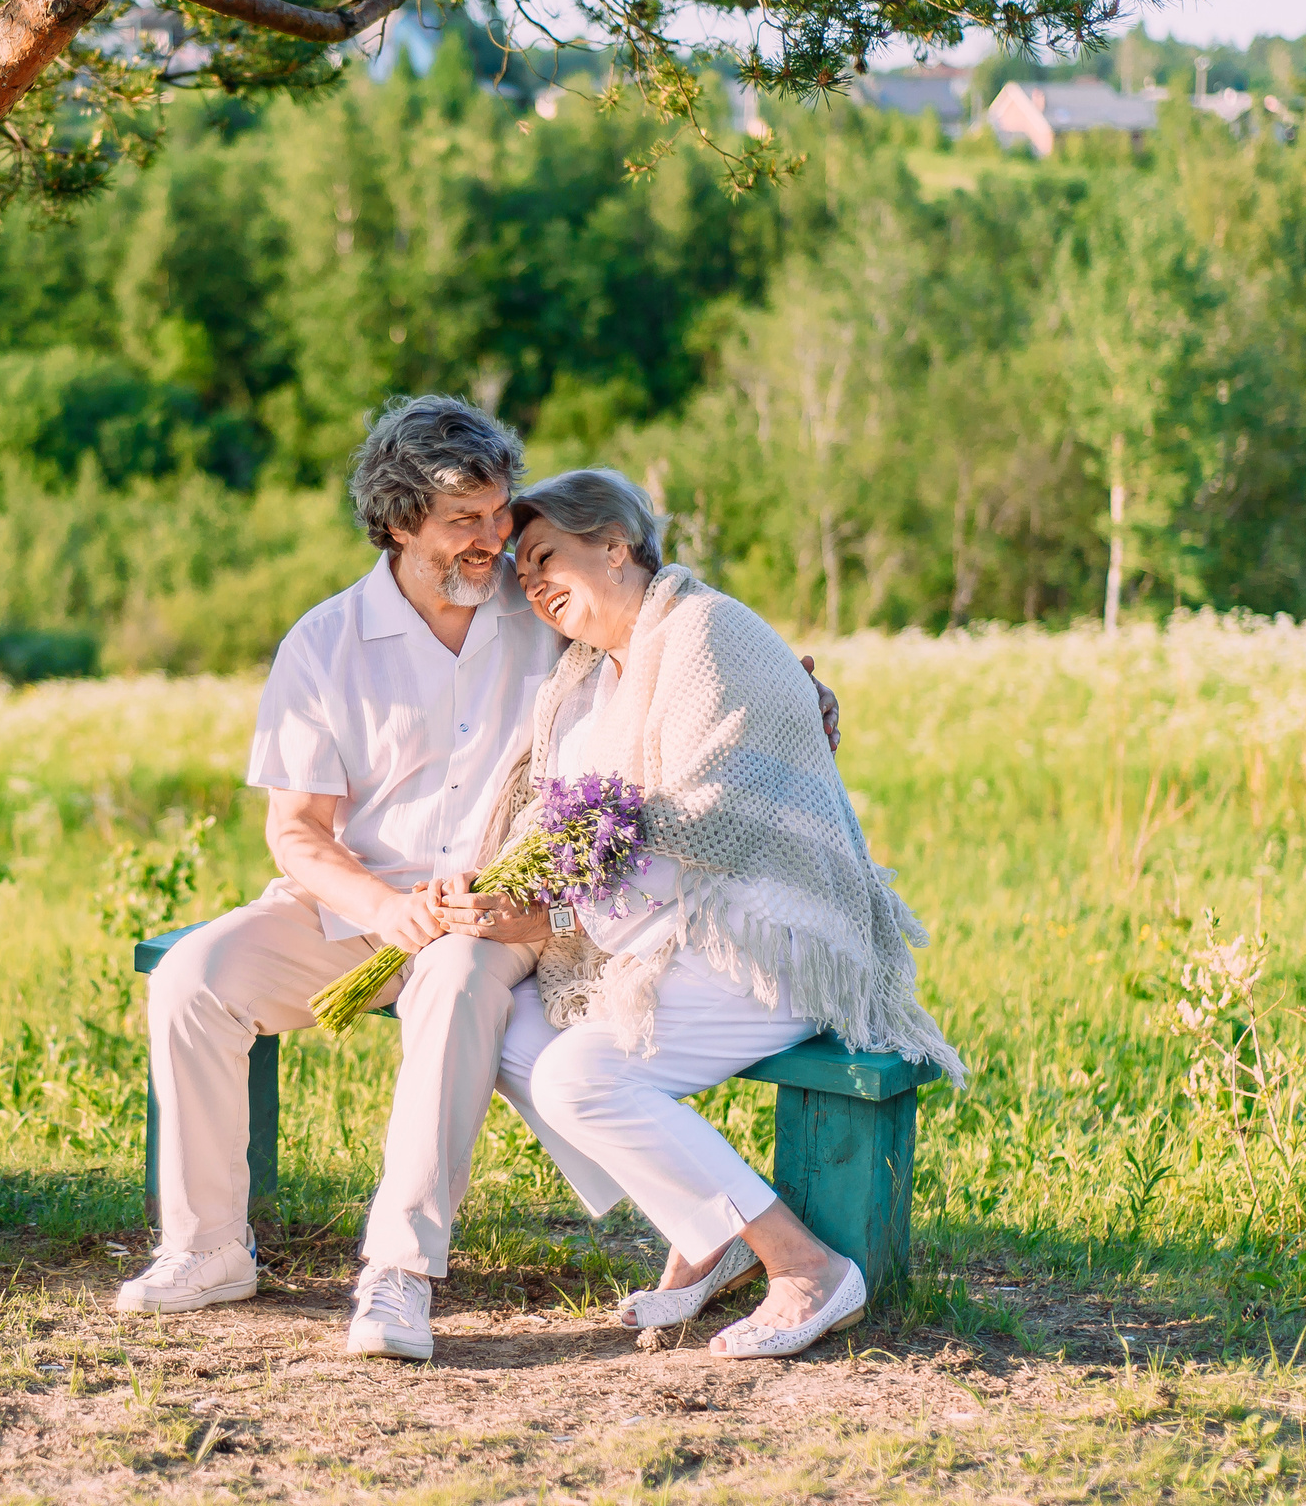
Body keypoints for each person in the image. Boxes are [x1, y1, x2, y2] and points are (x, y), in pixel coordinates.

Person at [123, 401, 845, 1365]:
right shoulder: (324, 643)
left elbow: (663, 628)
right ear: (398, 521)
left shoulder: (539, 602)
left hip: (494, 911)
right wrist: (386, 908)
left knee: (459, 983)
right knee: (192, 976)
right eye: (466, 519)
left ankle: (401, 1270)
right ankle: (208, 1248)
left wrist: (791, 698)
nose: (494, 538)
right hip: (354, 902)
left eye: (499, 512)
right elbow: (296, 832)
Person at [433, 468, 963, 1361]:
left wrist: (555, 902)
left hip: (768, 938)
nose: (532, 581)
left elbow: (702, 821)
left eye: (546, 555)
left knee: (578, 1080)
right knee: (513, 1034)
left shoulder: (704, 632)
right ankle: (705, 1227)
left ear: (615, 544)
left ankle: (803, 1265)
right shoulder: (588, 679)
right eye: (523, 570)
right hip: (662, 943)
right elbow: (569, 826)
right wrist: (511, 896)